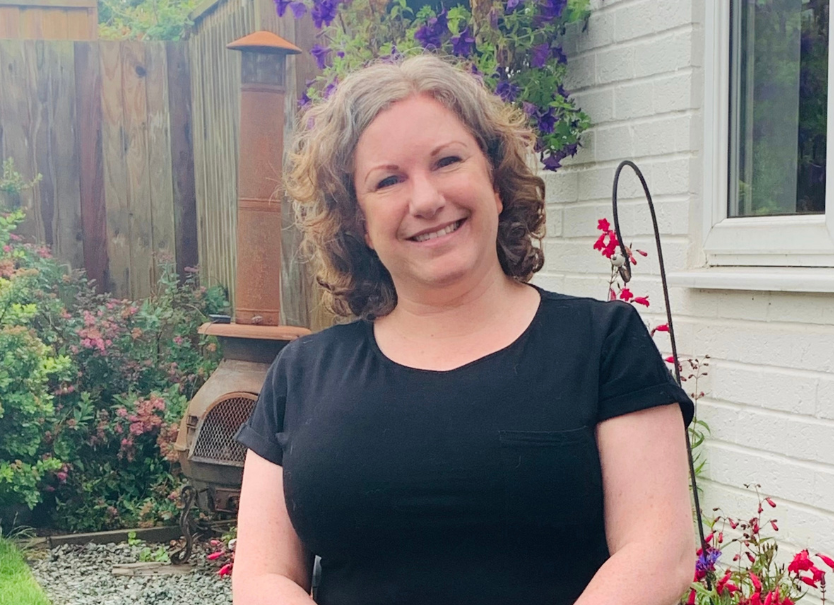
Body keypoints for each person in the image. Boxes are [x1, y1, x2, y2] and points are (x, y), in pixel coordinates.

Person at [232, 54, 695, 605]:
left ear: (495, 184)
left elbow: (658, 553)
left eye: (448, 161)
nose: (426, 200)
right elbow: (261, 576)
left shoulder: (603, 343)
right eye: (388, 180)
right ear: (359, 223)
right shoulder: (303, 373)